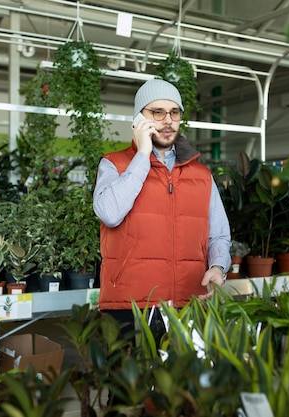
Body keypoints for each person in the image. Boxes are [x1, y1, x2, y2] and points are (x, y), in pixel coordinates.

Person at [93, 78, 231, 337]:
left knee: (183, 378)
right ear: (139, 120)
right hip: (129, 305)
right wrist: (142, 155)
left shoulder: (201, 175)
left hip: (190, 303)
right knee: (132, 378)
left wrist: (218, 266)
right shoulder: (114, 165)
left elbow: (219, 234)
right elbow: (110, 214)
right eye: (157, 112)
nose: (167, 120)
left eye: (174, 112)